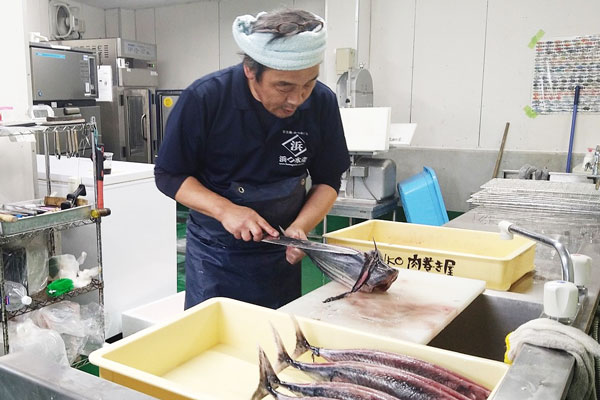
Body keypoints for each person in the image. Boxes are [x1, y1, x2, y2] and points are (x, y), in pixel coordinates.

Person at [154, 8, 350, 310]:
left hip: (282, 251)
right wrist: (226, 210)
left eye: (308, 83)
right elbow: (169, 174)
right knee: (214, 343)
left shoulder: (321, 102)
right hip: (216, 253)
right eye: (283, 86)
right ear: (250, 69)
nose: (297, 99)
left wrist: (301, 227)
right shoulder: (206, 98)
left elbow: (328, 179)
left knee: (274, 339)